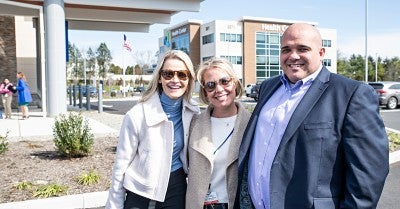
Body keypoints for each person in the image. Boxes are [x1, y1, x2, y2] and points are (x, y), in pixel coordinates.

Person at [235, 23, 389, 209]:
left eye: (303, 49)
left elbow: (369, 174)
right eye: (286, 49)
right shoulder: (268, 87)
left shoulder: (351, 94)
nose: (293, 56)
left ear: (321, 53)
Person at [106, 50, 200, 209]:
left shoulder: (194, 112)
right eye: (168, 74)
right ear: (159, 78)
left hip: (176, 187)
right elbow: (120, 165)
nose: (175, 80)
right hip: (141, 191)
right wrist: (114, 205)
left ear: (189, 79)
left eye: (182, 74)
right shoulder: (137, 115)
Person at [186, 58, 251, 209]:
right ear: (205, 92)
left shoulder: (252, 124)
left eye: (225, 81)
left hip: (237, 203)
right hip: (199, 204)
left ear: (234, 83)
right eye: (211, 85)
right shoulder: (194, 123)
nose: (219, 89)